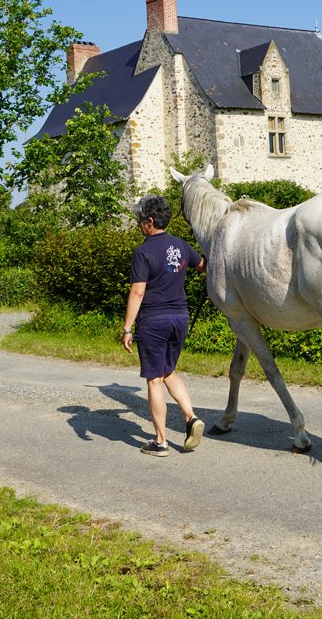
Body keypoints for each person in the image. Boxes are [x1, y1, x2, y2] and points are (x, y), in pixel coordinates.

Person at [122, 195, 207, 456]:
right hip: (180, 318)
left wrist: (127, 328)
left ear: (150, 221)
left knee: (154, 380)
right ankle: (191, 417)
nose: (138, 225)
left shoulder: (143, 251)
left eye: (140, 221)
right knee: (168, 371)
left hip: (154, 321)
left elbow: (137, 292)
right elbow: (204, 265)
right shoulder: (181, 245)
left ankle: (160, 442)